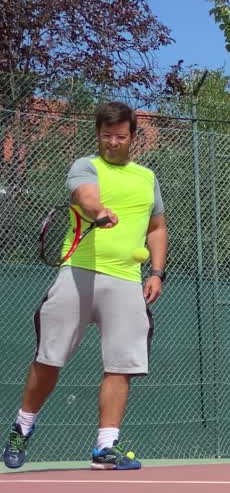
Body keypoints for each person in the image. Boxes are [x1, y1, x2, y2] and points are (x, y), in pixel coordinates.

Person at [3, 101, 167, 471]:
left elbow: (157, 228)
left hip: (127, 281)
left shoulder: (147, 178)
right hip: (78, 274)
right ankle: (22, 427)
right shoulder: (85, 166)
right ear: (98, 135)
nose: (112, 142)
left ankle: (104, 447)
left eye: (120, 136)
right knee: (49, 358)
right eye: (106, 135)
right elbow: (85, 197)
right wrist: (99, 212)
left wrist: (156, 272)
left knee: (121, 365)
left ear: (132, 137)